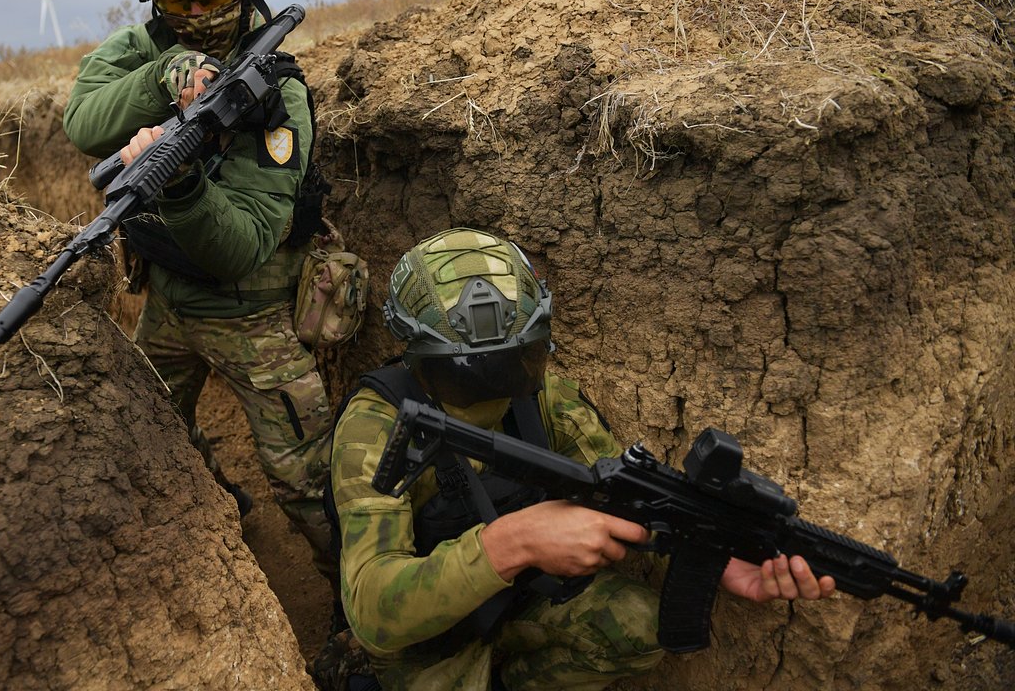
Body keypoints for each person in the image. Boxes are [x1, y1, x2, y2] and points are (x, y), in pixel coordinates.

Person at [329, 227, 835, 690]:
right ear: (414, 356)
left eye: (512, 364)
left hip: (523, 599)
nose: (495, 388)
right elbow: (375, 614)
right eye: (465, 372)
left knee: (637, 626)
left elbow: (625, 493)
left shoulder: (543, 397)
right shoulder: (372, 429)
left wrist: (716, 550)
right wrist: (515, 542)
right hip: (424, 637)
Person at [62, 0, 336, 583]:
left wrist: (177, 180)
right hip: (165, 301)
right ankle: (219, 508)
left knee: (309, 482)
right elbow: (84, 122)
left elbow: (241, 245)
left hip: (252, 313)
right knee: (155, 432)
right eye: (171, 2)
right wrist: (162, 80)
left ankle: (355, 601)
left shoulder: (277, 97)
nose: (189, 17)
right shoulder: (145, 48)